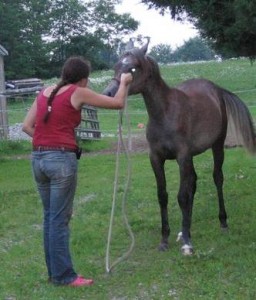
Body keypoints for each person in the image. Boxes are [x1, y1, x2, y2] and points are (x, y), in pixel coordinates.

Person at [22, 56, 133, 287]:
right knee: (59, 220)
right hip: (61, 161)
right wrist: (124, 81)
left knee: (50, 218)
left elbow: (26, 126)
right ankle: (64, 277)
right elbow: (117, 103)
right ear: (83, 79)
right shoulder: (78, 91)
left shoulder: (44, 92)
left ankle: (54, 273)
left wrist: (46, 143)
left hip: (38, 159)